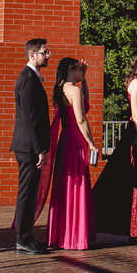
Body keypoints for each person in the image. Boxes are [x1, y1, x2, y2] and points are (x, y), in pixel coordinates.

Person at [92, 50, 137, 239]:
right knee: (132, 177)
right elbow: (136, 115)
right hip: (136, 133)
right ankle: (135, 225)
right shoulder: (136, 84)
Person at [47, 57, 97, 250]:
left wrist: (83, 77)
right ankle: (75, 236)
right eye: (78, 69)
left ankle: (64, 234)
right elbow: (82, 119)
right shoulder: (73, 90)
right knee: (76, 185)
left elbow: (85, 102)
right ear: (71, 68)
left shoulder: (62, 88)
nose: (81, 72)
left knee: (66, 187)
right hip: (76, 140)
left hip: (65, 139)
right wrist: (91, 143)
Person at [12, 38, 52, 255]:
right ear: (32, 55)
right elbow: (29, 118)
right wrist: (39, 149)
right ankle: (22, 239)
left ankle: (27, 236)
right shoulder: (27, 79)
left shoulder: (32, 78)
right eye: (44, 52)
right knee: (26, 193)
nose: (48, 55)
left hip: (31, 145)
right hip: (28, 146)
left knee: (30, 192)